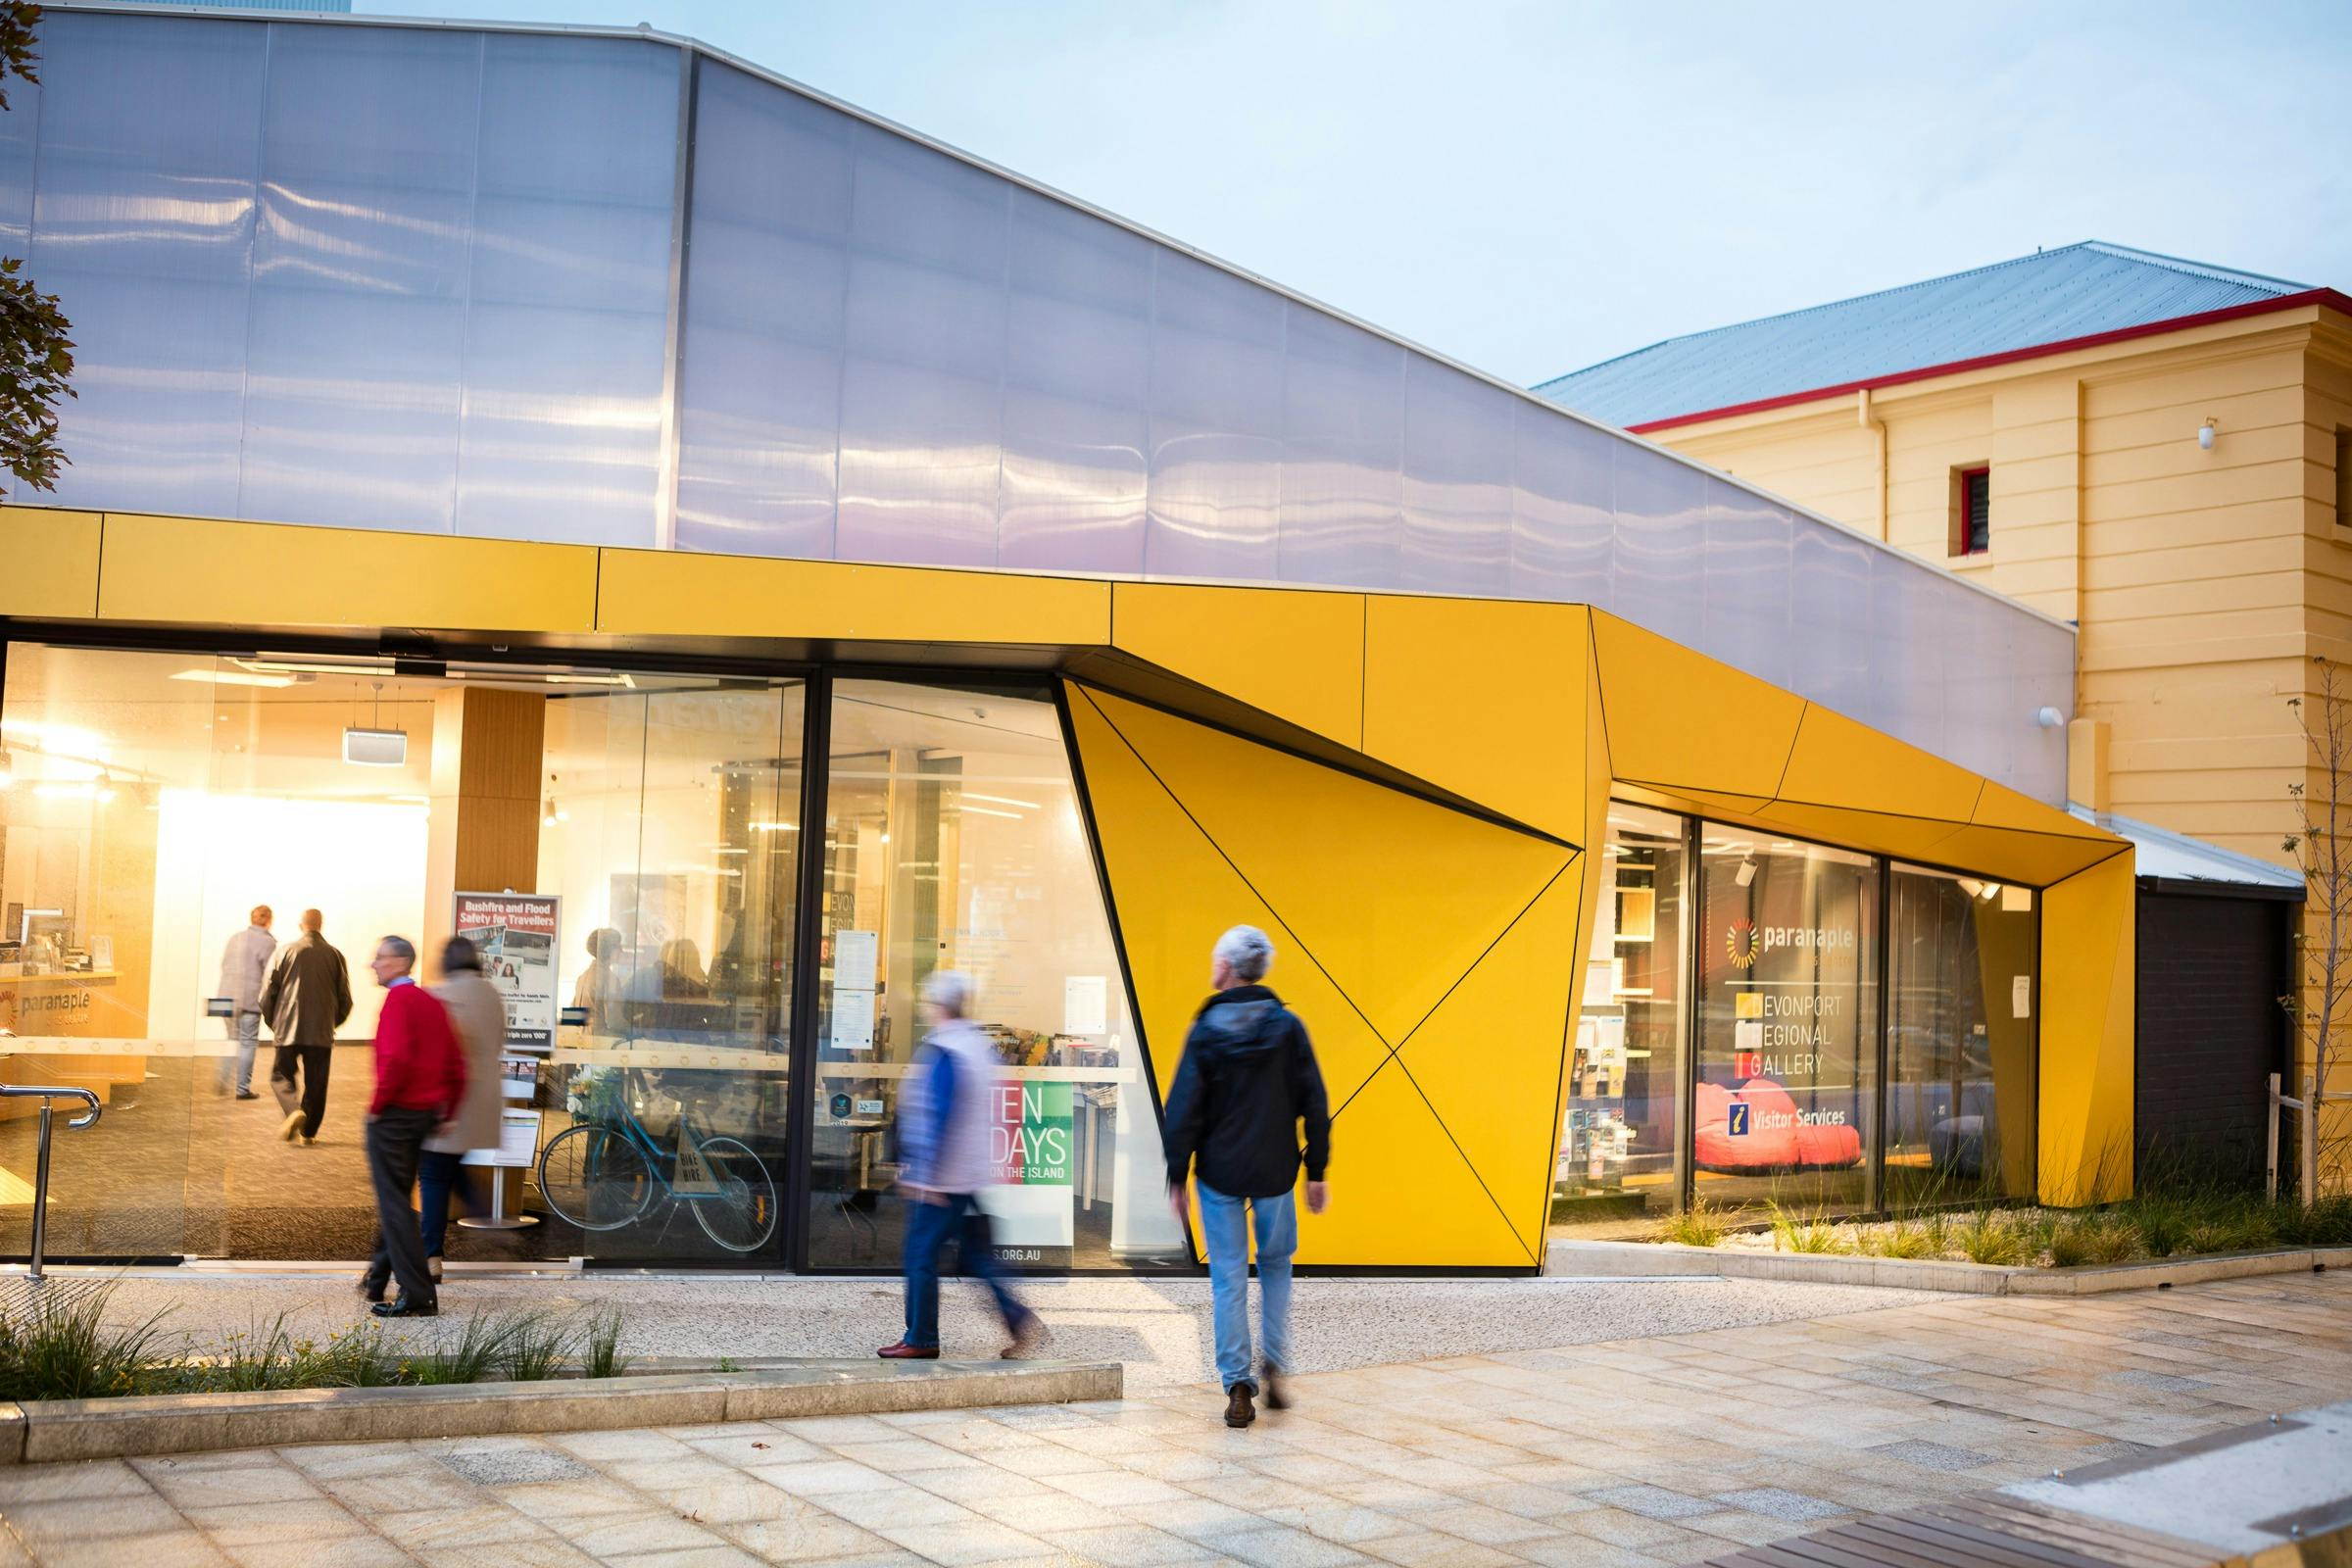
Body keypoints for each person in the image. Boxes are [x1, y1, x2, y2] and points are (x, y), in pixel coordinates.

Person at [1162, 924, 1331, 1429]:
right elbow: (1315, 1102)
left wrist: (1177, 1175)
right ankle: (1275, 1360)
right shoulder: (1288, 1026)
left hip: (1219, 1174)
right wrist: (1316, 1170)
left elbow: (1183, 1108)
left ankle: (1238, 1386)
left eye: (1216, 959)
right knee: (1277, 1264)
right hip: (1276, 1171)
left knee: (1229, 1276)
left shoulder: (1206, 1030)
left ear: (1227, 969)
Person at [877, 970, 1045, 1361]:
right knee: (977, 1256)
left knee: (919, 1255)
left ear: (938, 1006)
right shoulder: (977, 1045)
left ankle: (920, 1337)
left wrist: (925, 1176)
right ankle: (1018, 1317)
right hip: (969, 1174)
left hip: (942, 1179)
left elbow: (937, 1113)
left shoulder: (947, 1049)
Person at [359, 935, 466, 1318]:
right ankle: (376, 1278)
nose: (374, 964)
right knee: (397, 1199)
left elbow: (396, 1059)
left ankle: (417, 1292)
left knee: (394, 1204)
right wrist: (448, 1110)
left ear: (401, 962)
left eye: (380, 957)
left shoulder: (399, 1001)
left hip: (395, 1115)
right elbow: (456, 1062)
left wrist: (376, 1107)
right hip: (424, 1115)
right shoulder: (430, 1002)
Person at [420, 935, 506, 1284]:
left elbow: (433, 1052)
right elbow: (499, 1041)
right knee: (450, 1169)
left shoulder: (440, 996)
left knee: (433, 1177)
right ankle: (483, 1212)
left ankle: (430, 1256)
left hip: (451, 1100)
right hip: (485, 1097)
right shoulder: (492, 994)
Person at [261, 909, 351, 1143]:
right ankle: (308, 1133)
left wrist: (275, 1023)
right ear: (321, 925)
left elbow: (269, 993)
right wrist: (331, 1022)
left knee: (281, 1074)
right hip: (321, 1032)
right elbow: (345, 999)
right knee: (317, 1083)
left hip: (288, 1027)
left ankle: (293, 1111)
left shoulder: (285, 951)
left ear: (301, 925)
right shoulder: (335, 955)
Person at [216, 906, 276, 1099]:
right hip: (248, 1000)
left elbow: (224, 963)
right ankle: (242, 1089)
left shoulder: (235, 937)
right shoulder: (268, 942)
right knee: (248, 1042)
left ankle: (222, 1080)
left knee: (231, 1039)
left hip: (225, 998)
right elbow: (271, 975)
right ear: (269, 920)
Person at [572, 928, 626, 1033]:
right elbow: (615, 1021)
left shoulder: (582, 977)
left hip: (583, 1041)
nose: (622, 950)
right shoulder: (610, 978)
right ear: (608, 949)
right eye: (618, 946)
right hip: (601, 1043)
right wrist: (636, 1031)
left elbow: (574, 1018)